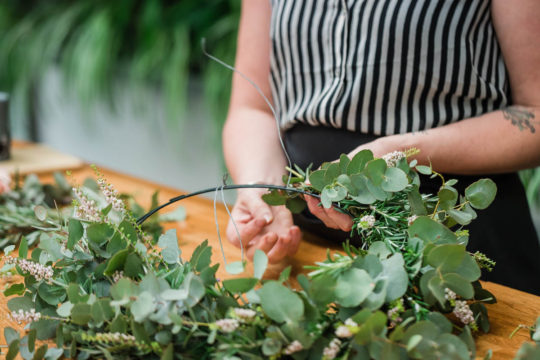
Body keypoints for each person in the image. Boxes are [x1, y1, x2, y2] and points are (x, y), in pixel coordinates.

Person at [222, 0, 540, 295]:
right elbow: (254, 107)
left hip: (452, 249)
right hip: (309, 249)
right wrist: (262, 192)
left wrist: (404, 151)